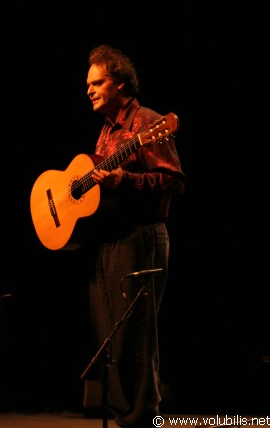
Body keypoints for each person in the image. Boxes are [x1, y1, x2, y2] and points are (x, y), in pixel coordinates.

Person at [84, 44, 186, 428]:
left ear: (121, 82)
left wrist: (125, 179)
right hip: (109, 241)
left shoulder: (148, 122)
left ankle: (145, 418)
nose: (90, 90)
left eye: (98, 82)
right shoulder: (106, 132)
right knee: (110, 338)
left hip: (140, 239)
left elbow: (174, 182)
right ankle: (124, 415)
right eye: (88, 84)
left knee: (137, 336)